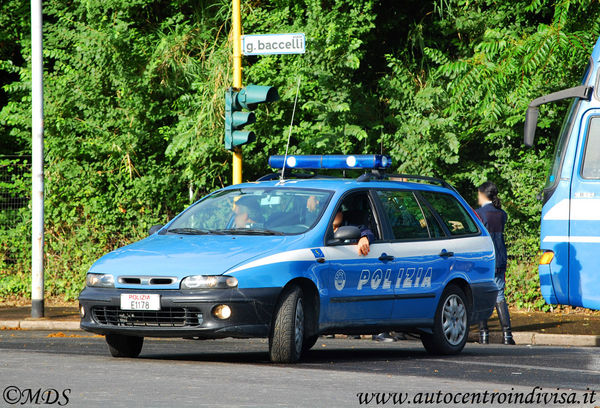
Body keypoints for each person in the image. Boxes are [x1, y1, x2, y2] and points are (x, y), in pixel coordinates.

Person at [476, 182, 515, 345]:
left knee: (480, 295)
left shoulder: (478, 214)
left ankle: (483, 334)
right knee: (500, 294)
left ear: (483, 194)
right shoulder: (502, 214)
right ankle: (507, 335)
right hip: (500, 258)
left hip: (484, 258)